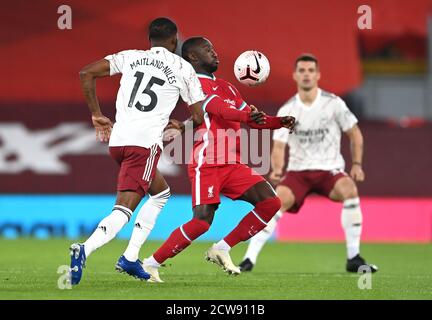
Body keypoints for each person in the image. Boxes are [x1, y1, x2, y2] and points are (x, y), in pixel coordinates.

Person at [71, 18, 267, 285]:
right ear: (175, 41)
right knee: (124, 208)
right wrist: (181, 124)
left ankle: (130, 258)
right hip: (144, 145)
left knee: (161, 193)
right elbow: (199, 115)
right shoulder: (182, 67)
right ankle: (85, 248)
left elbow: (86, 73)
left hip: (118, 141)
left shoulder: (131, 57)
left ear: (149, 39)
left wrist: (96, 115)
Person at [140, 37, 296, 283]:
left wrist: (279, 122)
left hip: (233, 164)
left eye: (214, 48)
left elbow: (253, 118)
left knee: (270, 203)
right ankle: (150, 264)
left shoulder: (228, 86)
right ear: (193, 57)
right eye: (207, 49)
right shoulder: (194, 84)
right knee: (202, 223)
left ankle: (222, 248)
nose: (215, 53)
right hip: (208, 162)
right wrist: (247, 116)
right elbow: (220, 110)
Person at [239, 54, 378, 273]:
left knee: (350, 190)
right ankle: (248, 260)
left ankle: (354, 257)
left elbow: (355, 134)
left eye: (310, 70)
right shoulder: (288, 109)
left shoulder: (333, 104)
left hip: (329, 170)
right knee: (275, 202)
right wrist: (277, 169)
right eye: (302, 71)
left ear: (318, 75)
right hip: (298, 172)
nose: (306, 75)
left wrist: (357, 164)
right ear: (295, 75)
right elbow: (279, 145)